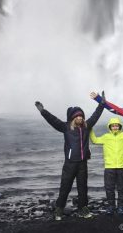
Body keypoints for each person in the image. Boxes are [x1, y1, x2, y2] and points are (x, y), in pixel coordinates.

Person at [34, 91, 105, 220]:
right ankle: (59, 210)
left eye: (81, 116)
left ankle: (83, 209)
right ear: (73, 118)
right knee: (65, 187)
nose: (80, 118)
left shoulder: (86, 126)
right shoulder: (65, 127)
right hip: (70, 163)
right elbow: (53, 120)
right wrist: (43, 111)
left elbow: (96, 115)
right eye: (77, 116)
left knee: (83, 188)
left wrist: (102, 103)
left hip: (82, 163)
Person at [89, 118, 123, 215]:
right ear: (110, 127)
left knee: (121, 188)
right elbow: (95, 140)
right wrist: (90, 128)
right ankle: (111, 206)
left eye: (117, 125)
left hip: (121, 167)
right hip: (109, 167)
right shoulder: (106, 137)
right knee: (109, 188)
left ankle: (121, 207)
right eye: (113, 125)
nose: (115, 127)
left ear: (119, 126)